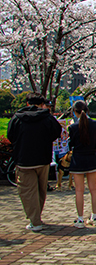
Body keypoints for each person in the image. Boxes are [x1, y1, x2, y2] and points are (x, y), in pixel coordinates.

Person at [7, 92, 62, 232]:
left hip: (23, 159)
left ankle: (35, 220)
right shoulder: (47, 117)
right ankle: (37, 217)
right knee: (40, 189)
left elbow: (10, 135)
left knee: (27, 191)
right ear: (42, 104)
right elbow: (56, 132)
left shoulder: (17, 118)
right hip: (43, 158)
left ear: (27, 103)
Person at [68, 100, 96, 228]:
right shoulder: (95, 124)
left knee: (79, 190)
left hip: (78, 160)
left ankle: (80, 219)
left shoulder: (73, 127)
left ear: (74, 112)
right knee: (93, 189)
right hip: (91, 158)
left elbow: (71, 144)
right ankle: (95, 216)